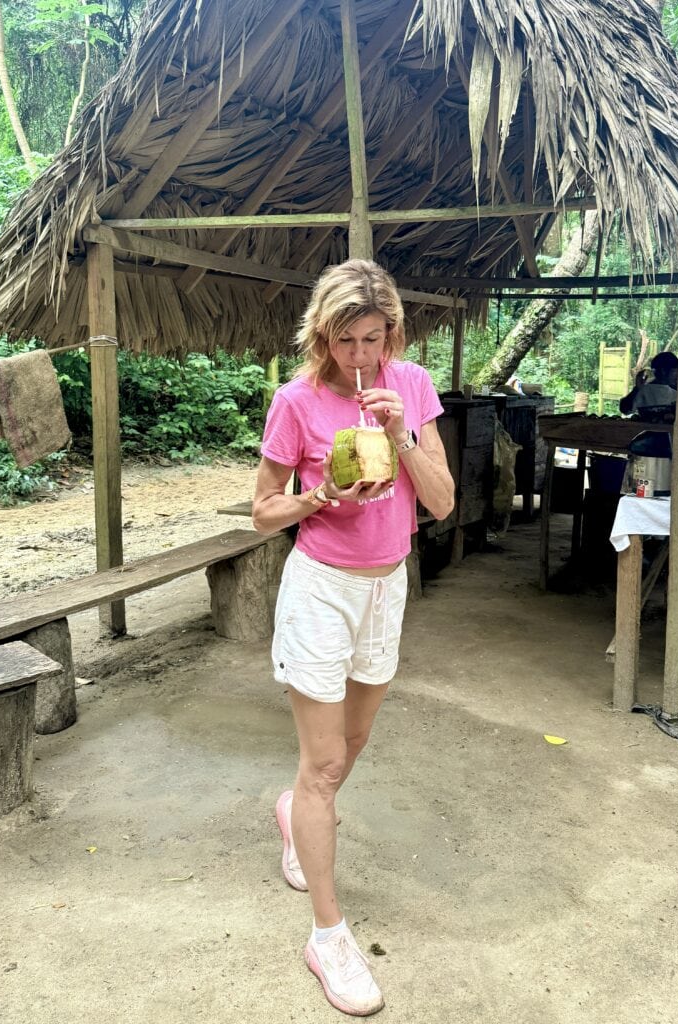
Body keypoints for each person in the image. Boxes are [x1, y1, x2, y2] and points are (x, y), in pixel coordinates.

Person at [252, 259, 454, 1016]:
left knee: (351, 748)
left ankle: (291, 811)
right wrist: (320, 496)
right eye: (346, 341)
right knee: (325, 764)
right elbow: (263, 511)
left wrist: (401, 435)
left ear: (392, 333)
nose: (361, 356)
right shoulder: (296, 402)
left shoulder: (412, 387)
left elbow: (440, 502)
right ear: (322, 337)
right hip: (321, 592)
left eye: (373, 338)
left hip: (387, 586)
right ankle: (327, 937)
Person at [619, 351, 678, 415]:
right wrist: (637, 389)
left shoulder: (676, 392)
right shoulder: (643, 391)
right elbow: (625, 410)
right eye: (675, 371)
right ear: (663, 371)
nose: (677, 375)